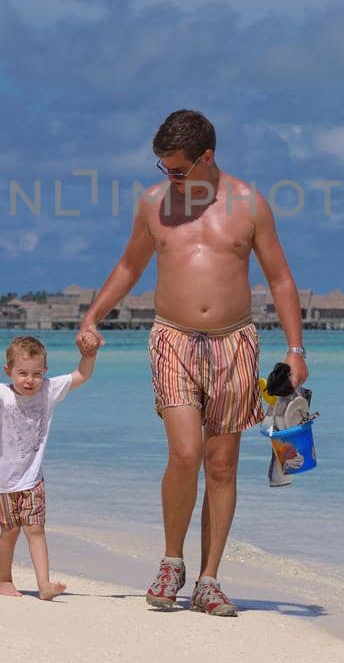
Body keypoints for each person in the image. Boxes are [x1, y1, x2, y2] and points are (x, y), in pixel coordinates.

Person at [76, 109, 310, 617]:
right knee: (185, 454)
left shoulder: (249, 205)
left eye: (178, 169)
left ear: (207, 158)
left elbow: (281, 280)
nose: (170, 178)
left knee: (221, 464)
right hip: (173, 339)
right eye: (163, 167)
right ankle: (170, 562)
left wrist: (296, 351)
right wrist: (92, 316)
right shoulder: (153, 204)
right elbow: (129, 265)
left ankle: (209, 579)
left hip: (234, 342)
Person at [0, 334, 98, 600]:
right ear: (8, 371)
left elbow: (81, 375)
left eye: (36, 373)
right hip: (0, 479)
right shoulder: (0, 395)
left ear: (45, 372)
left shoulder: (48, 390)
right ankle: (3, 579)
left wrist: (89, 354)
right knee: (10, 531)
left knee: (35, 529)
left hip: (32, 478)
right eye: (22, 373)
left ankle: (44, 584)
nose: (30, 380)